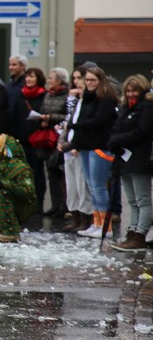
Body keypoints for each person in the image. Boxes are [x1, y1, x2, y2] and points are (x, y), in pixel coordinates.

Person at [70, 66, 120, 237]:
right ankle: (97, 223)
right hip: (86, 146)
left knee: (99, 187)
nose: (89, 83)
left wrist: (74, 126)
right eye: (88, 80)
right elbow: (83, 119)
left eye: (93, 80)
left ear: (100, 81)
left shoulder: (105, 99)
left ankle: (106, 227)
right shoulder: (88, 98)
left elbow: (98, 121)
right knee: (92, 187)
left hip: (100, 147)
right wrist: (75, 142)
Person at [106, 75, 153, 250]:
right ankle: (132, 231)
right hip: (124, 158)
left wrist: (118, 139)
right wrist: (114, 140)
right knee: (132, 200)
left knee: (142, 199)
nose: (131, 94)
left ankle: (140, 234)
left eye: (135, 90)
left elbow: (142, 131)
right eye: (129, 90)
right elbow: (117, 128)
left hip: (140, 158)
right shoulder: (125, 108)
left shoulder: (147, 108)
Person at [60, 71, 93, 233]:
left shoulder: (89, 102)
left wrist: (75, 145)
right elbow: (68, 123)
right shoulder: (76, 101)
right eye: (75, 79)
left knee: (82, 186)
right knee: (71, 186)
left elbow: (83, 125)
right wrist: (62, 142)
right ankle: (75, 217)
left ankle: (85, 218)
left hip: (79, 148)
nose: (77, 82)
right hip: (69, 147)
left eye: (80, 78)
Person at [37, 68, 70, 217]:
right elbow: (43, 110)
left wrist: (50, 117)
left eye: (51, 78)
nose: (48, 80)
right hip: (48, 136)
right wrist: (43, 119)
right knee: (50, 171)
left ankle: (65, 206)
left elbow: (67, 116)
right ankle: (55, 205)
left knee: (61, 172)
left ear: (60, 81)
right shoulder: (48, 95)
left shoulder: (68, 96)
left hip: (60, 136)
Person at [19, 67, 49, 214]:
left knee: (37, 171)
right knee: (24, 172)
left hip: (37, 139)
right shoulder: (21, 95)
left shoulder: (44, 95)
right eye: (27, 77)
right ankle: (26, 201)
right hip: (23, 137)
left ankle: (39, 202)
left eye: (32, 77)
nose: (29, 80)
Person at [5, 54, 29, 138]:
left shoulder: (27, 84)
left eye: (14, 65)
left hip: (22, 128)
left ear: (22, 66)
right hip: (9, 126)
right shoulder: (9, 85)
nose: (10, 67)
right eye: (10, 65)